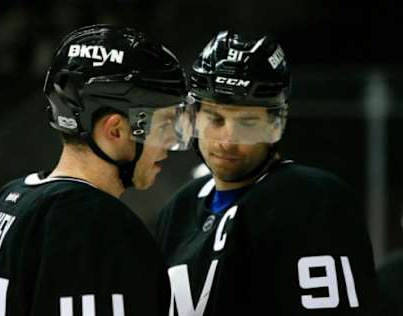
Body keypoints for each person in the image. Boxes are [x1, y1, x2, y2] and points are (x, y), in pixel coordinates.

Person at [0, 24, 193, 316]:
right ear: (115, 130)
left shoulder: (11, 199)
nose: (170, 142)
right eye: (164, 125)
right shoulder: (94, 223)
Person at [156, 31, 378, 315]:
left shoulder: (312, 200)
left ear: (276, 125)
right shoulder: (178, 210)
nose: (227, 139)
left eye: (247, 123)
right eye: (216, 119)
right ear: (193, 118)